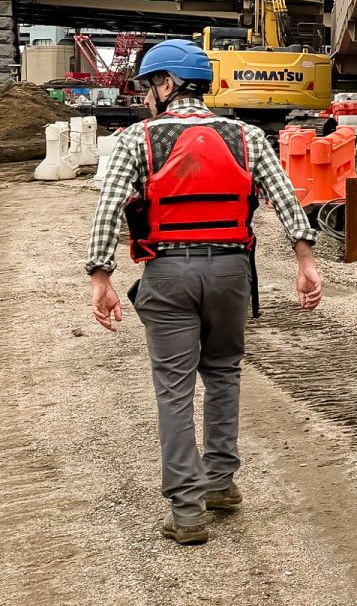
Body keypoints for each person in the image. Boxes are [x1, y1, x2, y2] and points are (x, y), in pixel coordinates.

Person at [85, 38, 323, 545]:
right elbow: (286, 198)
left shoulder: (136, 139)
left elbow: (109, 208)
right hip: (231, 273)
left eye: (150, 85)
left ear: (167, 85)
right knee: (223, 374)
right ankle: (220, 483)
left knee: (173, 389)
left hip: (168, 274)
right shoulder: (248, 136)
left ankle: (187, 510)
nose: (147, 95)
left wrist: (100, 278)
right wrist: (305, 260)